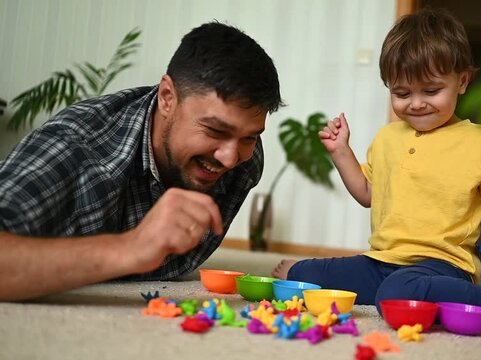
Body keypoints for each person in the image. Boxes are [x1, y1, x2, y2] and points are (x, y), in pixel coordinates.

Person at [271, 7, 481, 326]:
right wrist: (340, 152)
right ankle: (377, 287)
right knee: (305, 275)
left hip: (441, 266)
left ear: (462, 81)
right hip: (380, 263)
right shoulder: (388, 137)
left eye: (431, 91)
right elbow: (368, 193)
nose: (416, 102)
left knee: (396, 293)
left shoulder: (480, 140)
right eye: (402, 93)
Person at [0, 21, 283, 301]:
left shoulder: (247, 159)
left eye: (249, 137)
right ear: (167, 98)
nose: (231, 158)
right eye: (215, 131)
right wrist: (129, 249)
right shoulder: (75, 148)